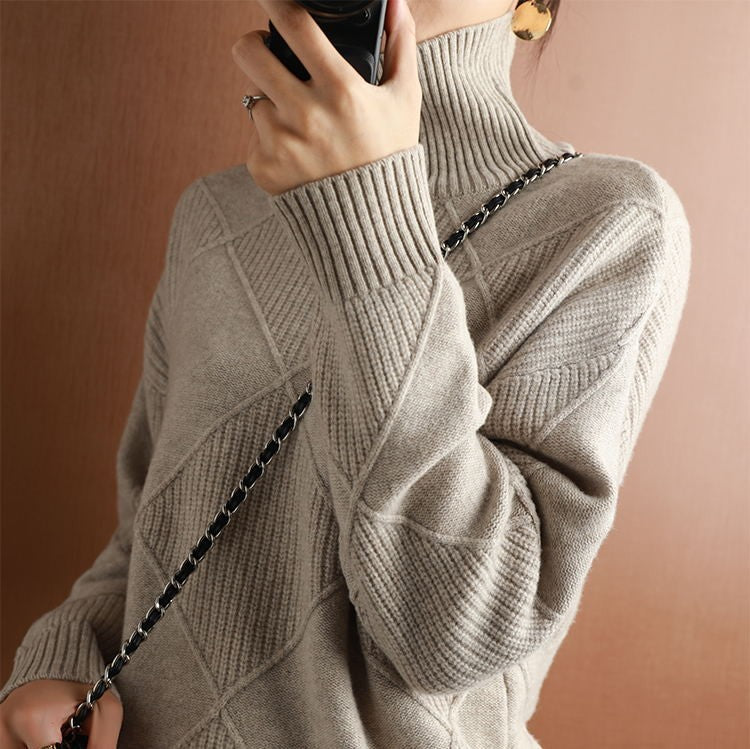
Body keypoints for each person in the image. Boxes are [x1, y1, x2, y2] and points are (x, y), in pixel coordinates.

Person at [0, 0, 691, 746]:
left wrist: (367, 204)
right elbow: (149, 531)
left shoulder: (606, 222)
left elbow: (455, 633)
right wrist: (62, 654)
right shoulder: (215, 217)